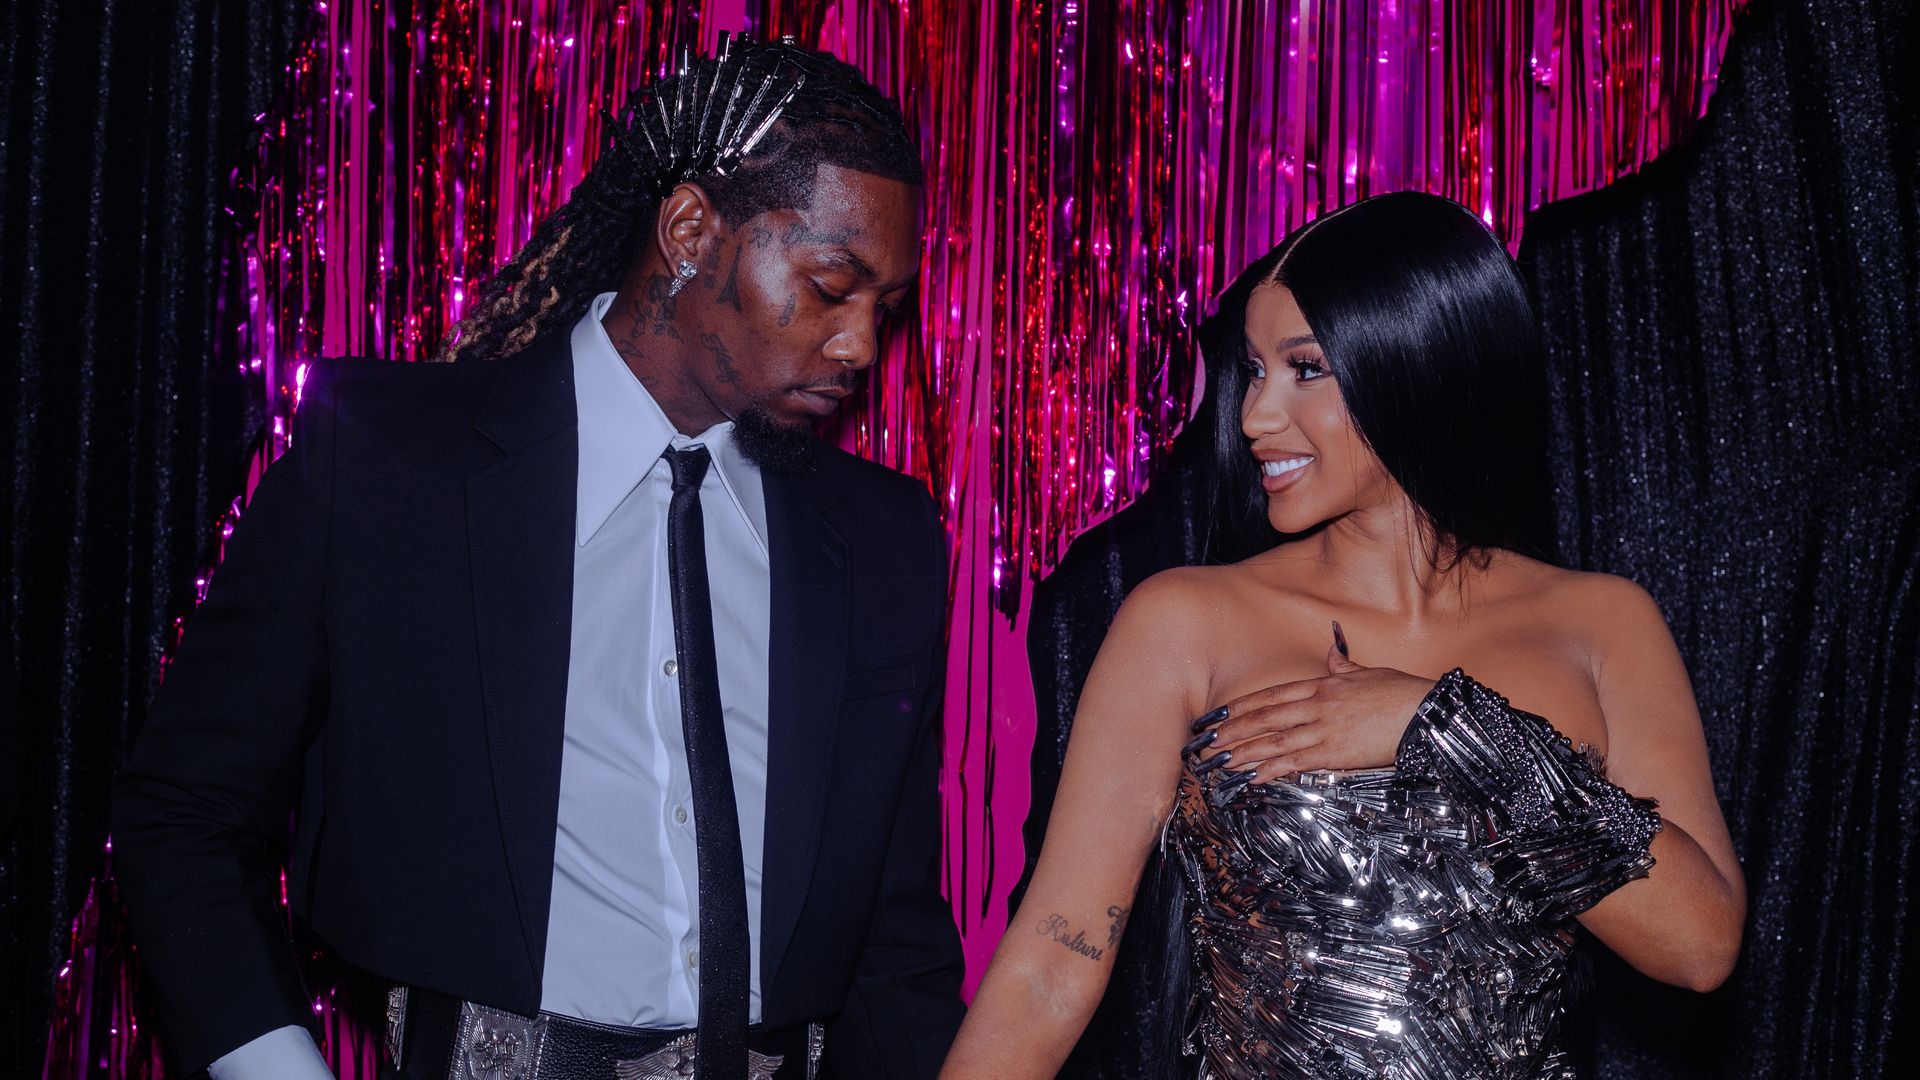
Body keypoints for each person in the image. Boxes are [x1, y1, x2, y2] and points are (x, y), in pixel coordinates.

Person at [113, 37, 963, 1080]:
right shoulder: (389, 470)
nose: (861, 346)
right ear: (693, 229)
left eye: (886, 306)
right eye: (832, 284)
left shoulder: (885, 543)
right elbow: (185, 813)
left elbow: (898, 946)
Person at [940, 192, 1746, 1078]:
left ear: (1419, 362)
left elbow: (1699, 946)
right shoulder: (1184, 623)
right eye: (1253, 369)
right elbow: (1050, 973)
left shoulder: (1601, 623)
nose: (1254, 416)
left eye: (1305, 369)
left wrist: (1448, 730)